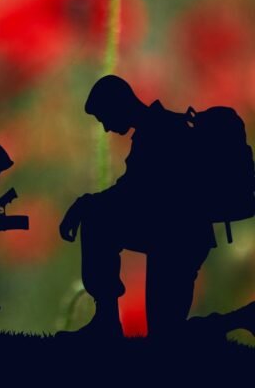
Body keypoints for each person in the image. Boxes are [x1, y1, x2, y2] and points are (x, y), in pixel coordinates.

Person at [59, 75, 215, 338]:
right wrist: (87, 206)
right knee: (98, 221)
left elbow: (132, 193)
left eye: (104, 118)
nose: (107, 128)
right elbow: (131, 192)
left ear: (119, 105)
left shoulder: (160, 131)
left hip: (180, 242)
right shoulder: (152, 129)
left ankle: (235, 320)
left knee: (166, 335)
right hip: (169, 236)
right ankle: (105, 321)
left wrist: (82, 205)